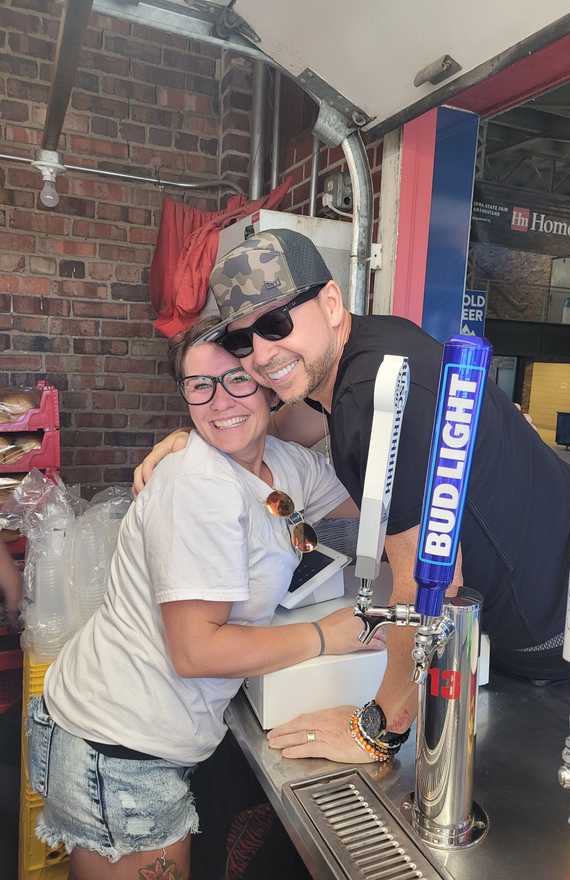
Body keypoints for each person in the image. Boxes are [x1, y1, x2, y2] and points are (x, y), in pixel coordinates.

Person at [134, 229, 570, 766]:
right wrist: (208, 434)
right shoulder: (369, 351)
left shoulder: (377, 401)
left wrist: (377, 729)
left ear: (332, 304)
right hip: (552, 610)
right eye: (245, 340)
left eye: (276, 323)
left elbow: (428, 590)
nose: (264, 354)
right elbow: (290, 419)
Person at [27, 325, 383, 880]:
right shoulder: (196, 488)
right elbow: (195, 650)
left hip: (139, 735)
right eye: (200, 386)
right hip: (117, 746)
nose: (221, 403)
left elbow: (372, 515)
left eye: (237, 379)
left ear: (268, 383)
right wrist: (325, 636)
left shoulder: (286, 467)